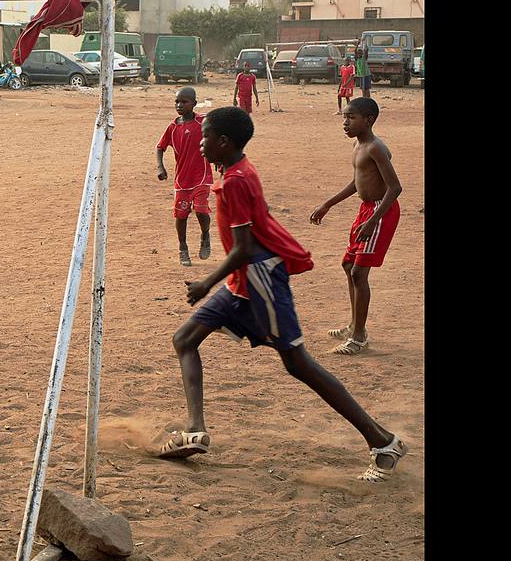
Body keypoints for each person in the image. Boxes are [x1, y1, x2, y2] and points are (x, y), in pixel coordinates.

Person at [160, 106, 406, 483]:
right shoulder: (236, 171)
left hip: (260, 279)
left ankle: (383, 440)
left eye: (205, 137)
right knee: (185, 339)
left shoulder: (235, 182)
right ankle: (196, 430)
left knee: (298, 363)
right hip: (241, 282)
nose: (200, 143)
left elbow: (243, 248)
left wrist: (205, 284)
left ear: (224, 142)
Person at [308, 97, 403, 356]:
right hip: (367, 210)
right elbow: (357, 182)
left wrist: (373, 221)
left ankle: (359, 336)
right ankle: (354, 325)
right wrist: (328, 204)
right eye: (344, 117)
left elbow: (395, 188)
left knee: (359, 273)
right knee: (348, 265)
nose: (345, 122)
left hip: (380, 212)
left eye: (351, 118)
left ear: (368, 120)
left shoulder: (375, 147)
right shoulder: (358, 145)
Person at [157, 87, 213, 266]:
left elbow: (219, 134)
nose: (179, 105)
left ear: (194, 104)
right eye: (177, 102)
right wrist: (161, 168)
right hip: (182, 180)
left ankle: (205, 235)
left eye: (184, 102)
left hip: (202, 176)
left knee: (201, 211)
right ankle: (183, 248)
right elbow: (160, 147)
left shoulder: (202, 122)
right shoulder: (173, 127)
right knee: (181, 215)